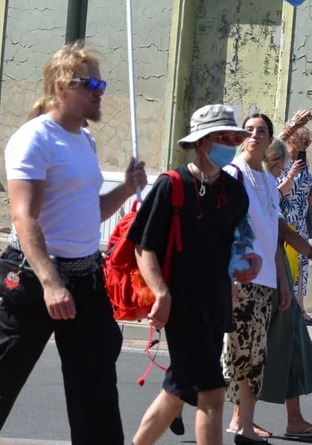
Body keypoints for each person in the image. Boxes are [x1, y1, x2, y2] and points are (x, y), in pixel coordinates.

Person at [0, 42, 147, 444]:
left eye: (100, 82)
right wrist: (52, 283)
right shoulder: (34, 139)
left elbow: (87, 212)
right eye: (88, 82)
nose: (98, 90)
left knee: (96, 390)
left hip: (86, 277)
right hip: (34, 276)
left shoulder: (84, 141)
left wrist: (126, 189)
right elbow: (25, 216)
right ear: (61, 85)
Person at [127, 104, 262, 445]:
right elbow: (143, 247)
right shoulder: (172, 185)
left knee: (177, 390)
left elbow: (237, 240)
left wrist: (248, 261)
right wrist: (161, 292)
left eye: (235, 137)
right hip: (182, 306)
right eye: (224, 137)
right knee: (212, 394)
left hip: (217, 303)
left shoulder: (233, 191)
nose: (232, 143)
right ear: (202, 143)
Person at [223, 112, 312, 443]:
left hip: (269, 281)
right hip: (242, 280)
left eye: (262, 131)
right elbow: (222, 229)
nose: (255, 136)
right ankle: (232, 421)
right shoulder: (233, 174)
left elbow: (277, 234)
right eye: (248, 131)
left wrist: (283, 279)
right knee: (240, 355)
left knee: (256, 357)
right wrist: (229, 276)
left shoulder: (266, 182)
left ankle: (245, 427)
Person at [275, 123, 312, 322]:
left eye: (306, 146)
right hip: (286, 220)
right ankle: (285, 306)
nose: (303, 149)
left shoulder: (303, 162)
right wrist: (291, 175)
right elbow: (276, 190)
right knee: (286, 264)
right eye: (301, 144)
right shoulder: (280, 162)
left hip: (300, 220)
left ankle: (300, 309)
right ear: (291, 141)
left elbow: (306, 183)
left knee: (302, 266)